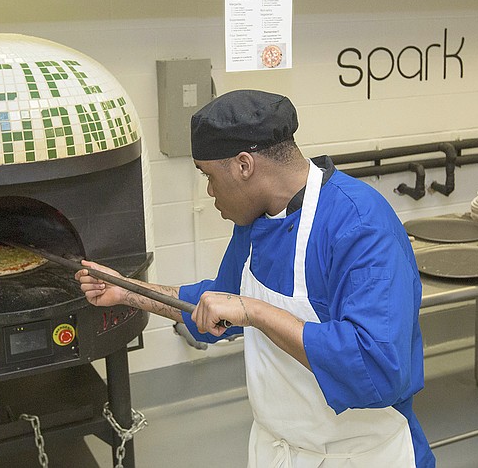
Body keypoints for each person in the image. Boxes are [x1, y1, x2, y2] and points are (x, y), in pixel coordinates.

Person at [75, 89, 436, 467]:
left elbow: (378, 367)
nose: (211, 193)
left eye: (209, 176)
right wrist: (127, 292)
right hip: (279, 450)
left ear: (244, 165)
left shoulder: (359, 225)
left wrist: (258, 312)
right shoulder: (257, 222)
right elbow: (222, 304)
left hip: (362, 455)